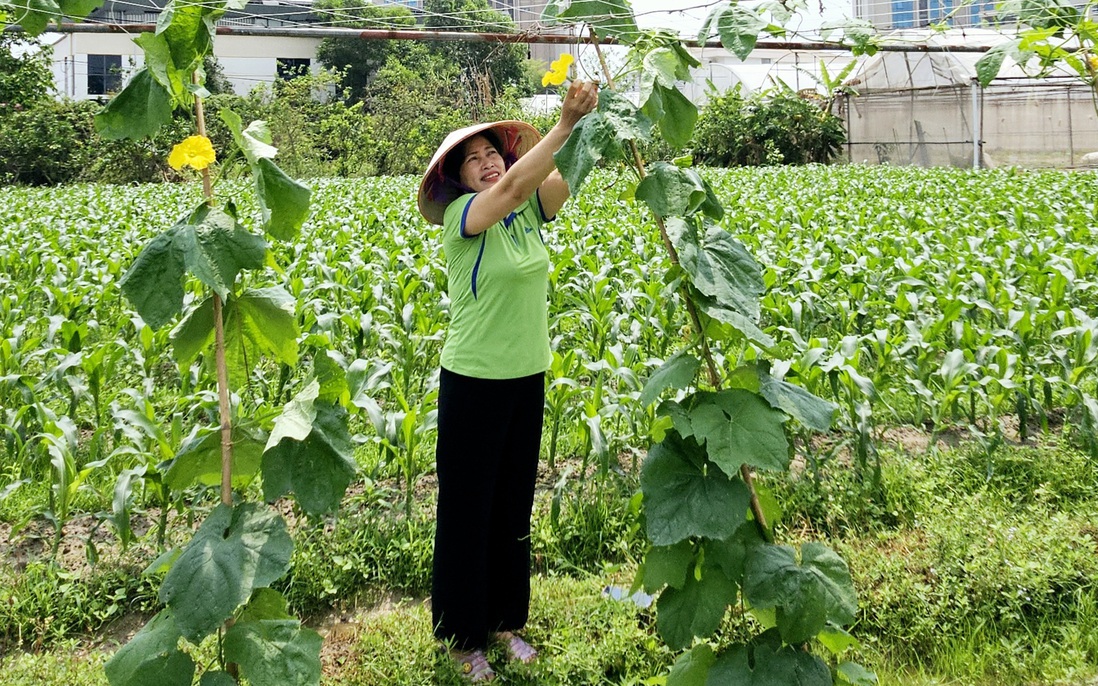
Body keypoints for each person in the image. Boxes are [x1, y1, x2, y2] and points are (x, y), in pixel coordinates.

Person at [416, 78, 599, 682]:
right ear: (459, 180)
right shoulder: (467, 220)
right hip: (473, 381)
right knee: (467, 510)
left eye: (495, 153)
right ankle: (463, 637)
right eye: (474, 159)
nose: (488, 163)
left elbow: (564, 176)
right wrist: (565, 120)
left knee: (512, 505)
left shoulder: (528, 215)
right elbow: (522, 182)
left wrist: (602, 119)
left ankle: (504, 622)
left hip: (527, 377)